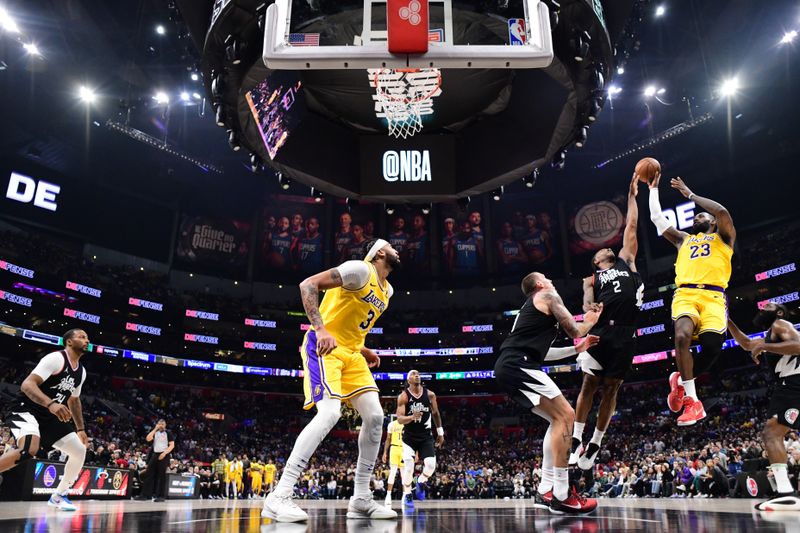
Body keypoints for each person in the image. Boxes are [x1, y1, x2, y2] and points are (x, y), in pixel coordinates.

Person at [262, 238, 401, 522]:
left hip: (352, 354)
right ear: (381, 253)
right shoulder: (359, 270)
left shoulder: (388, 291)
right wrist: (320, 328)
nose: (399, 252)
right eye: (393, 248)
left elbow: (348, 320)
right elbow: (307, 285)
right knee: (330, 412)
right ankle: (279, 495)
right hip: (324, 348)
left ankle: (361, 499)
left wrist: (362, 348)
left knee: (376, 417)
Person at [493, 272, 602, 514]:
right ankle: (562, 495)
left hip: (513, 364)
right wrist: (591, 321)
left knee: (556, 420)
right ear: (539, 284)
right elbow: (575, 330)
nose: (552, 279)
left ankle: (545, 490)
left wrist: (577, 350)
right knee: (566, 416)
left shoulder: (530, 312)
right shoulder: (548, 295)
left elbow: (543, 354)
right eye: (546, 277)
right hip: (518, 364)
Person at [648, 174, 736, 426]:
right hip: (685, 293)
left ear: (711, 223)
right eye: (696, 216)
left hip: (714, 296)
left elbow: (721, 211)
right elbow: (657, 218)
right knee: (682, 336)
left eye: (702, 216)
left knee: (711, 346)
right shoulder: (682, 239)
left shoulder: (724, 238)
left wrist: (689, 194)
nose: (698, 217)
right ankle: (693, 402)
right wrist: (653, 189)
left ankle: (680, 381)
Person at [571, 175, 644, 469]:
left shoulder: (627, 259)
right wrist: (591, 306)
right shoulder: (591, 278)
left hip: (626, 333)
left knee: (612, 388)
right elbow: (586, 303)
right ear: (597, 261)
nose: (606, 248)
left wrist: (631, 195)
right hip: (602, 330)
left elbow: (632, 225)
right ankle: (576, 438)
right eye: (601, 250)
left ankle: (595, 443)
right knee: (589, 383)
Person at [0, 329, 90, 511]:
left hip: (48, 417)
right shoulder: (56, 359)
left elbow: (74, 400)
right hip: (26, 409)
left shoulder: (81, 371)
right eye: (81, 336)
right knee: (28, 449)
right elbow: (27, 385)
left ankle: (59, 495)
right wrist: (51, 404)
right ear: (69, 342)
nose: (86, 340)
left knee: (79, 451)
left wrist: (80, 429)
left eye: (87, 337)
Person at [728, 304, 800, 510]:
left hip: (793, 383)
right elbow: (747, 343)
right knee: (771, 434)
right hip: (787, 386)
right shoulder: (771, 333)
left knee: (771, 434)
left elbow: (799, 346)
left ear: (778, 312)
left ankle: (786, 493)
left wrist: (765, 347)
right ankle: (785, 492)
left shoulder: (781, 324)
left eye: (768, 305)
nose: (762, 307)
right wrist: (727, 320)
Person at [396, 370, 444, 509]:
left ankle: (421, 481)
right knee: (409, 467)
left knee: (430, 465)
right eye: (412, 374)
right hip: (409, 437)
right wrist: (411, 417)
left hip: (425, 436)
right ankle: (407, 494)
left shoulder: (430, 395)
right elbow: (399, 419)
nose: (416, 375)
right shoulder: (403, 397)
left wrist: (440, 433)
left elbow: (436, 414)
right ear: (408, 380)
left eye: (418, 373)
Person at [137, 419, 175, 502]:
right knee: (148, 473)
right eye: (159, 424)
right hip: (155, 454)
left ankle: (161, 496)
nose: (161, 425)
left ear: (165, 425)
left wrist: (164, 453)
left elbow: (172, 445)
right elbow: (148, 439)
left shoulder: (168, 433)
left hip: (164, 454)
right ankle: (145, 495)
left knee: (161, 476)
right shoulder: (155, 432)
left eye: (162, 424)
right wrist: (154, 429)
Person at [381, 416, 404, 507]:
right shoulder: (391, 424)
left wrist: (416, 452)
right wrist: (384, 452)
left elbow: (412, 439)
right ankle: (388, 495)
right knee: (392, 473)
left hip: (404, 449)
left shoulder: (407, 424)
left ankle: (405, 496)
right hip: (394, 448)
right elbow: (388, 439)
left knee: (404, 474)